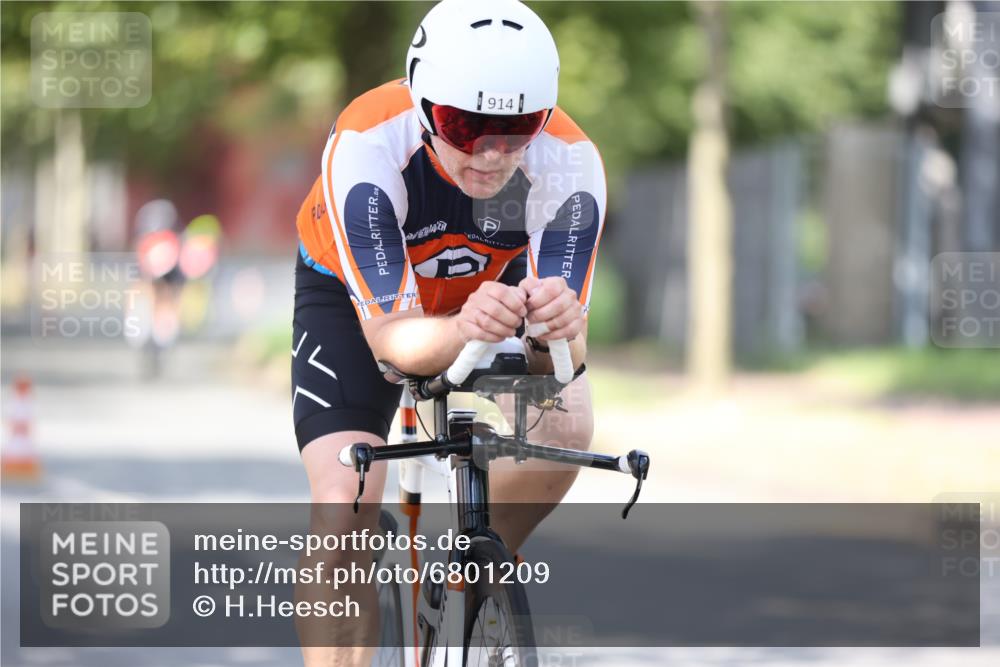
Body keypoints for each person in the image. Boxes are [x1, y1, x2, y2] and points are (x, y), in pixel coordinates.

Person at [291, 1, 606, 663]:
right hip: (363, 303)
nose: (492, 155)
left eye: (518, 128)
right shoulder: (368, 145)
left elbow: (563, 359)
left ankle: (470, 571)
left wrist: (560, 328)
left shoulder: (569, 163)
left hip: (488, 293)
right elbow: (392, 342)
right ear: (423, 102)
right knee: (344, 502)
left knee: (569, 423)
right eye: (466, 126)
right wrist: (462, 326)